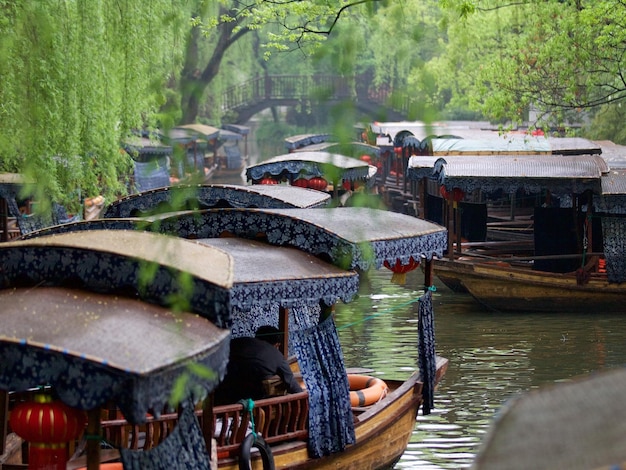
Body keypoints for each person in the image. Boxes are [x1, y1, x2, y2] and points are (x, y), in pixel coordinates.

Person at [214, 326, 303, 404]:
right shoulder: (276, 355)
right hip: (248, 402)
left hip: (218, 394)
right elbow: (293, 386)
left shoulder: (237, 342)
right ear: (277, 344)